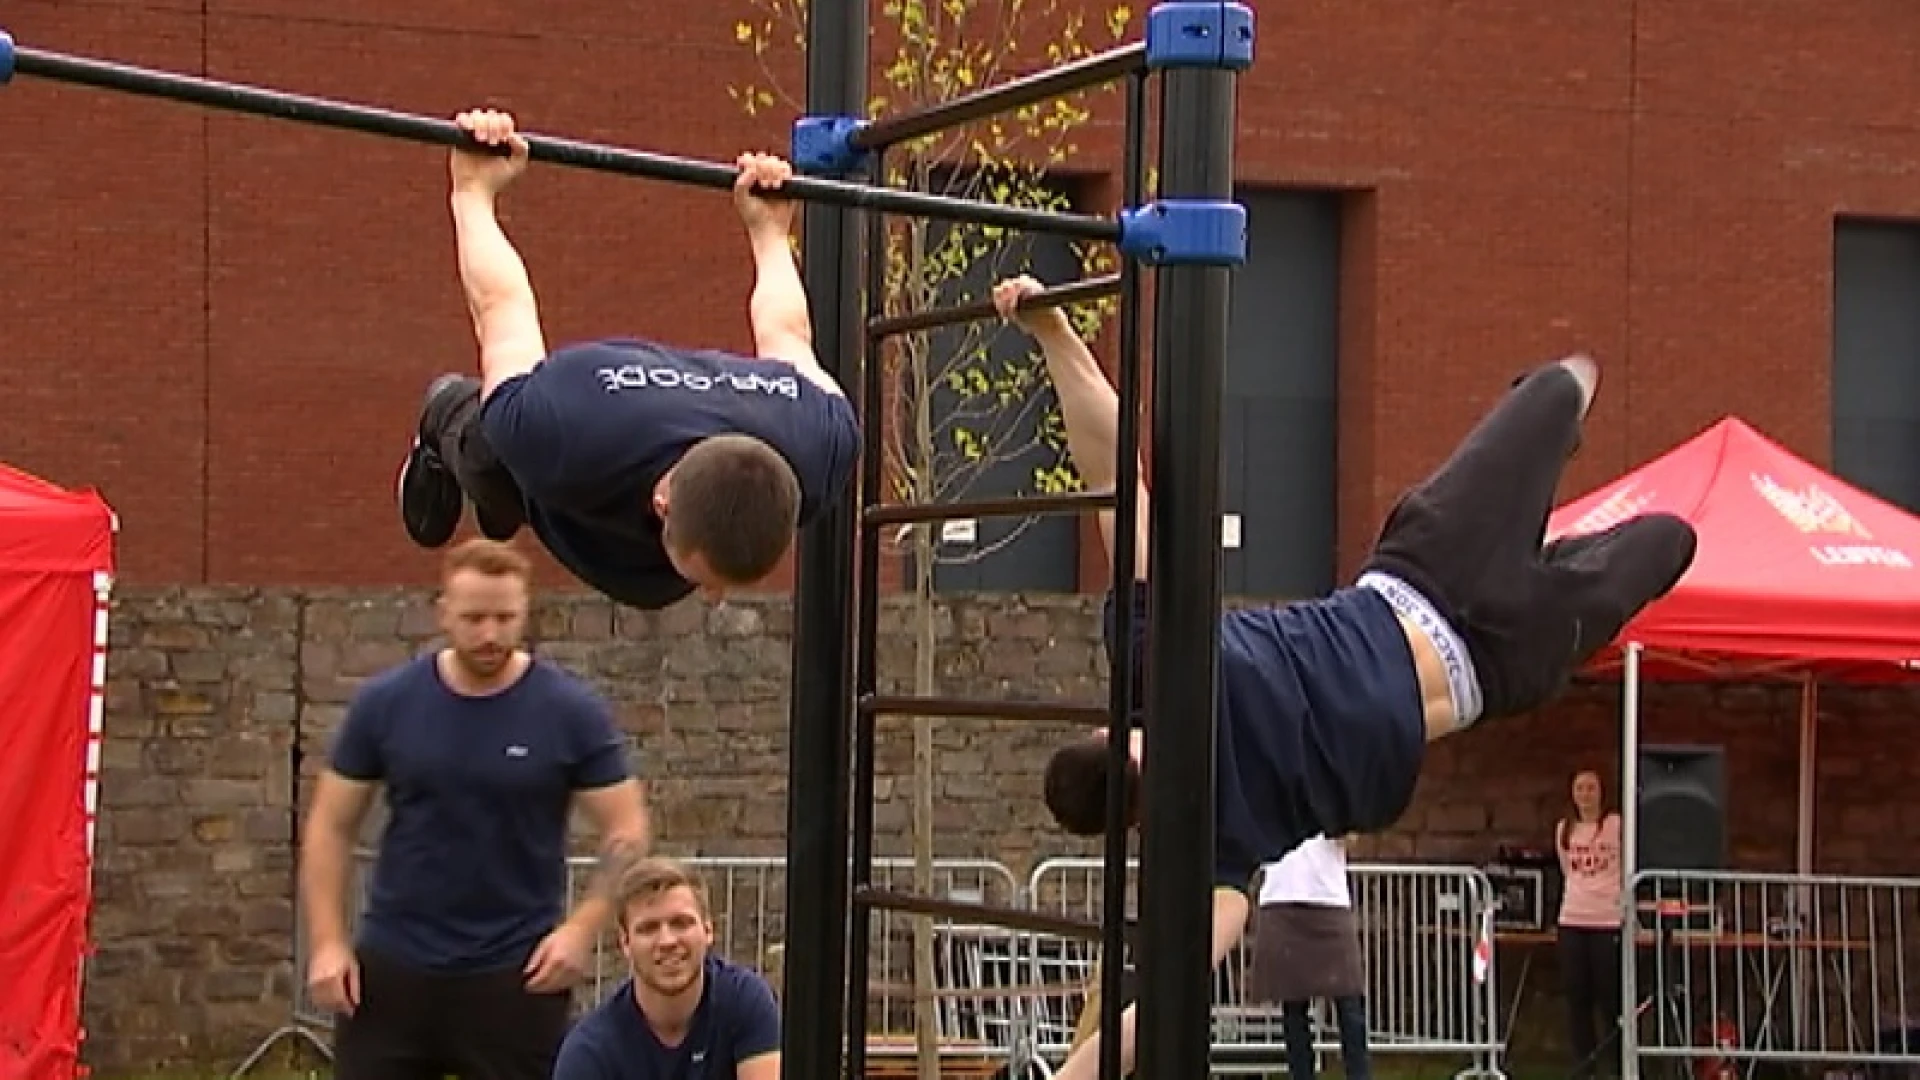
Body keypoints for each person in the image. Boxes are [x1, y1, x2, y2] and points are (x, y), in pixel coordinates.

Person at [988, 273, 1699, 1080]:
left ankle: (1545, 484)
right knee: (1665, 534)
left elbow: (1116, 483)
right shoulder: (1205, 823)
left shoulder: (1168, 690)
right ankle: (1548, 510)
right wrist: (1053, 336)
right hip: (1483, 652)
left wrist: (1055, 334)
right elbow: (1115, 485)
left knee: (1558, 392)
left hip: (1427, 583)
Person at [397, 108, 862, 609]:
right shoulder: (558, 423)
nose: (715, 598)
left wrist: (770, 234)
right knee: (497, 453)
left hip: (607, 486)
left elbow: (788, 333)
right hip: (574, 434)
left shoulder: (821, 439)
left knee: (655, 586)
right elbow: (501, 309)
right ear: (662, 503)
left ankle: (505, 502)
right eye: (713, 579)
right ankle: (445, 427)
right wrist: (471, 191)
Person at [299, 537, 654, 1080]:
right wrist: (327, 944)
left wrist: (582, 931)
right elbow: (330, 825)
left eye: (504, 617)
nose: (489, 634)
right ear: (443, 611)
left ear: (526, 612)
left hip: (517, 975)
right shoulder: (387, 703)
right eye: (473, 618)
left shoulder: (569, 712)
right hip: (395, 972)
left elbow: (627, 827)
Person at [553, 855, 782, 1080]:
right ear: (625, 943)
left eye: (680, 923)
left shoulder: (745, 1001)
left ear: (708, 930)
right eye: (649, 928)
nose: (667, 941)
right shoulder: (591, 1050)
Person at [1253, 834, 1371, 1080]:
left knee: (1350, 1002)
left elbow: (1352, 837)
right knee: (1293, 1009)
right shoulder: (1272, 796)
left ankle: (1360, 1075)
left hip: (1330, 898)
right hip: (1281, 898)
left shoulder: (1335, 795)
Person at [1555, 768, 1624, 1078]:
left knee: (1609, 998)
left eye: (1591, 788)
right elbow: (1567, 870)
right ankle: (1585, 1066)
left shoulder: (1615, 825)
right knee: (1577, 997)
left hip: (1607, 919)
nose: (1585, 794)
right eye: (1579, 788)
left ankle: (1616, 1063)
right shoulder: (1564, 830)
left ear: (1601, 792)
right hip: (1572, 918)